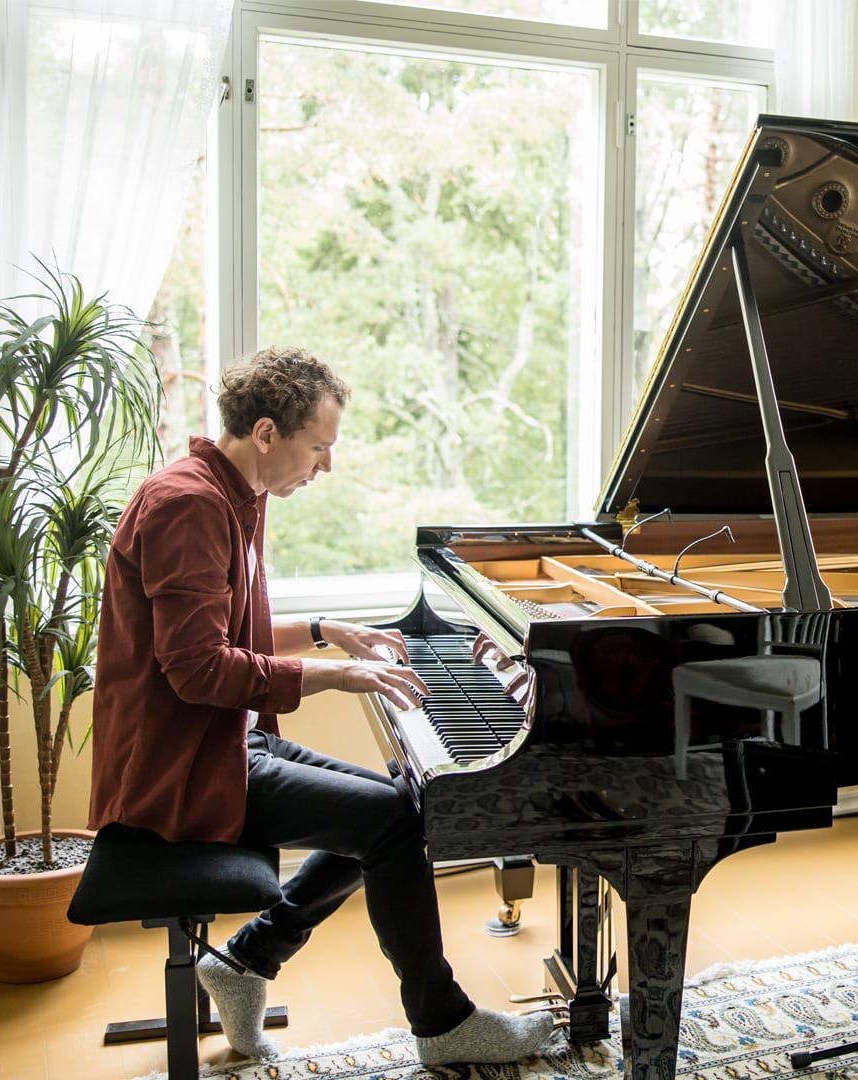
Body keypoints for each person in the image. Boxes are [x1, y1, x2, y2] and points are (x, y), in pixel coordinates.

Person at [88, 346, 556, 1066]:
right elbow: (197, 669)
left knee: (406, 796)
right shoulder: (189, 505)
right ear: (266, 433)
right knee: (390, 822)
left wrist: (324, 629)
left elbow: (226, 631)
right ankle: (441, 1023)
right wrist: (337, 675)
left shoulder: (232, 495)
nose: (327, 465)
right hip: (180, 771)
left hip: (224, 743)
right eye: (319, 447)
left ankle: (246, 960)